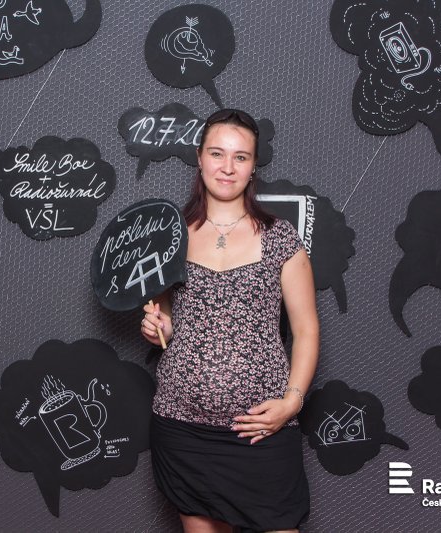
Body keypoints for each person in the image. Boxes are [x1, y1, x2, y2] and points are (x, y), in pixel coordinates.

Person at [141, 109, 319, 533]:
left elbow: (307, 330)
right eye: (217, 153)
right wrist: (156, 328)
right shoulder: (170, 235)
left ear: (253, 166)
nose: (227, 167)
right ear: (199, 158)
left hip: (259, 430)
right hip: (183, 428)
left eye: (241, 157)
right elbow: (165, 320)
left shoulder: (280, 238)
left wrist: (292, 402)